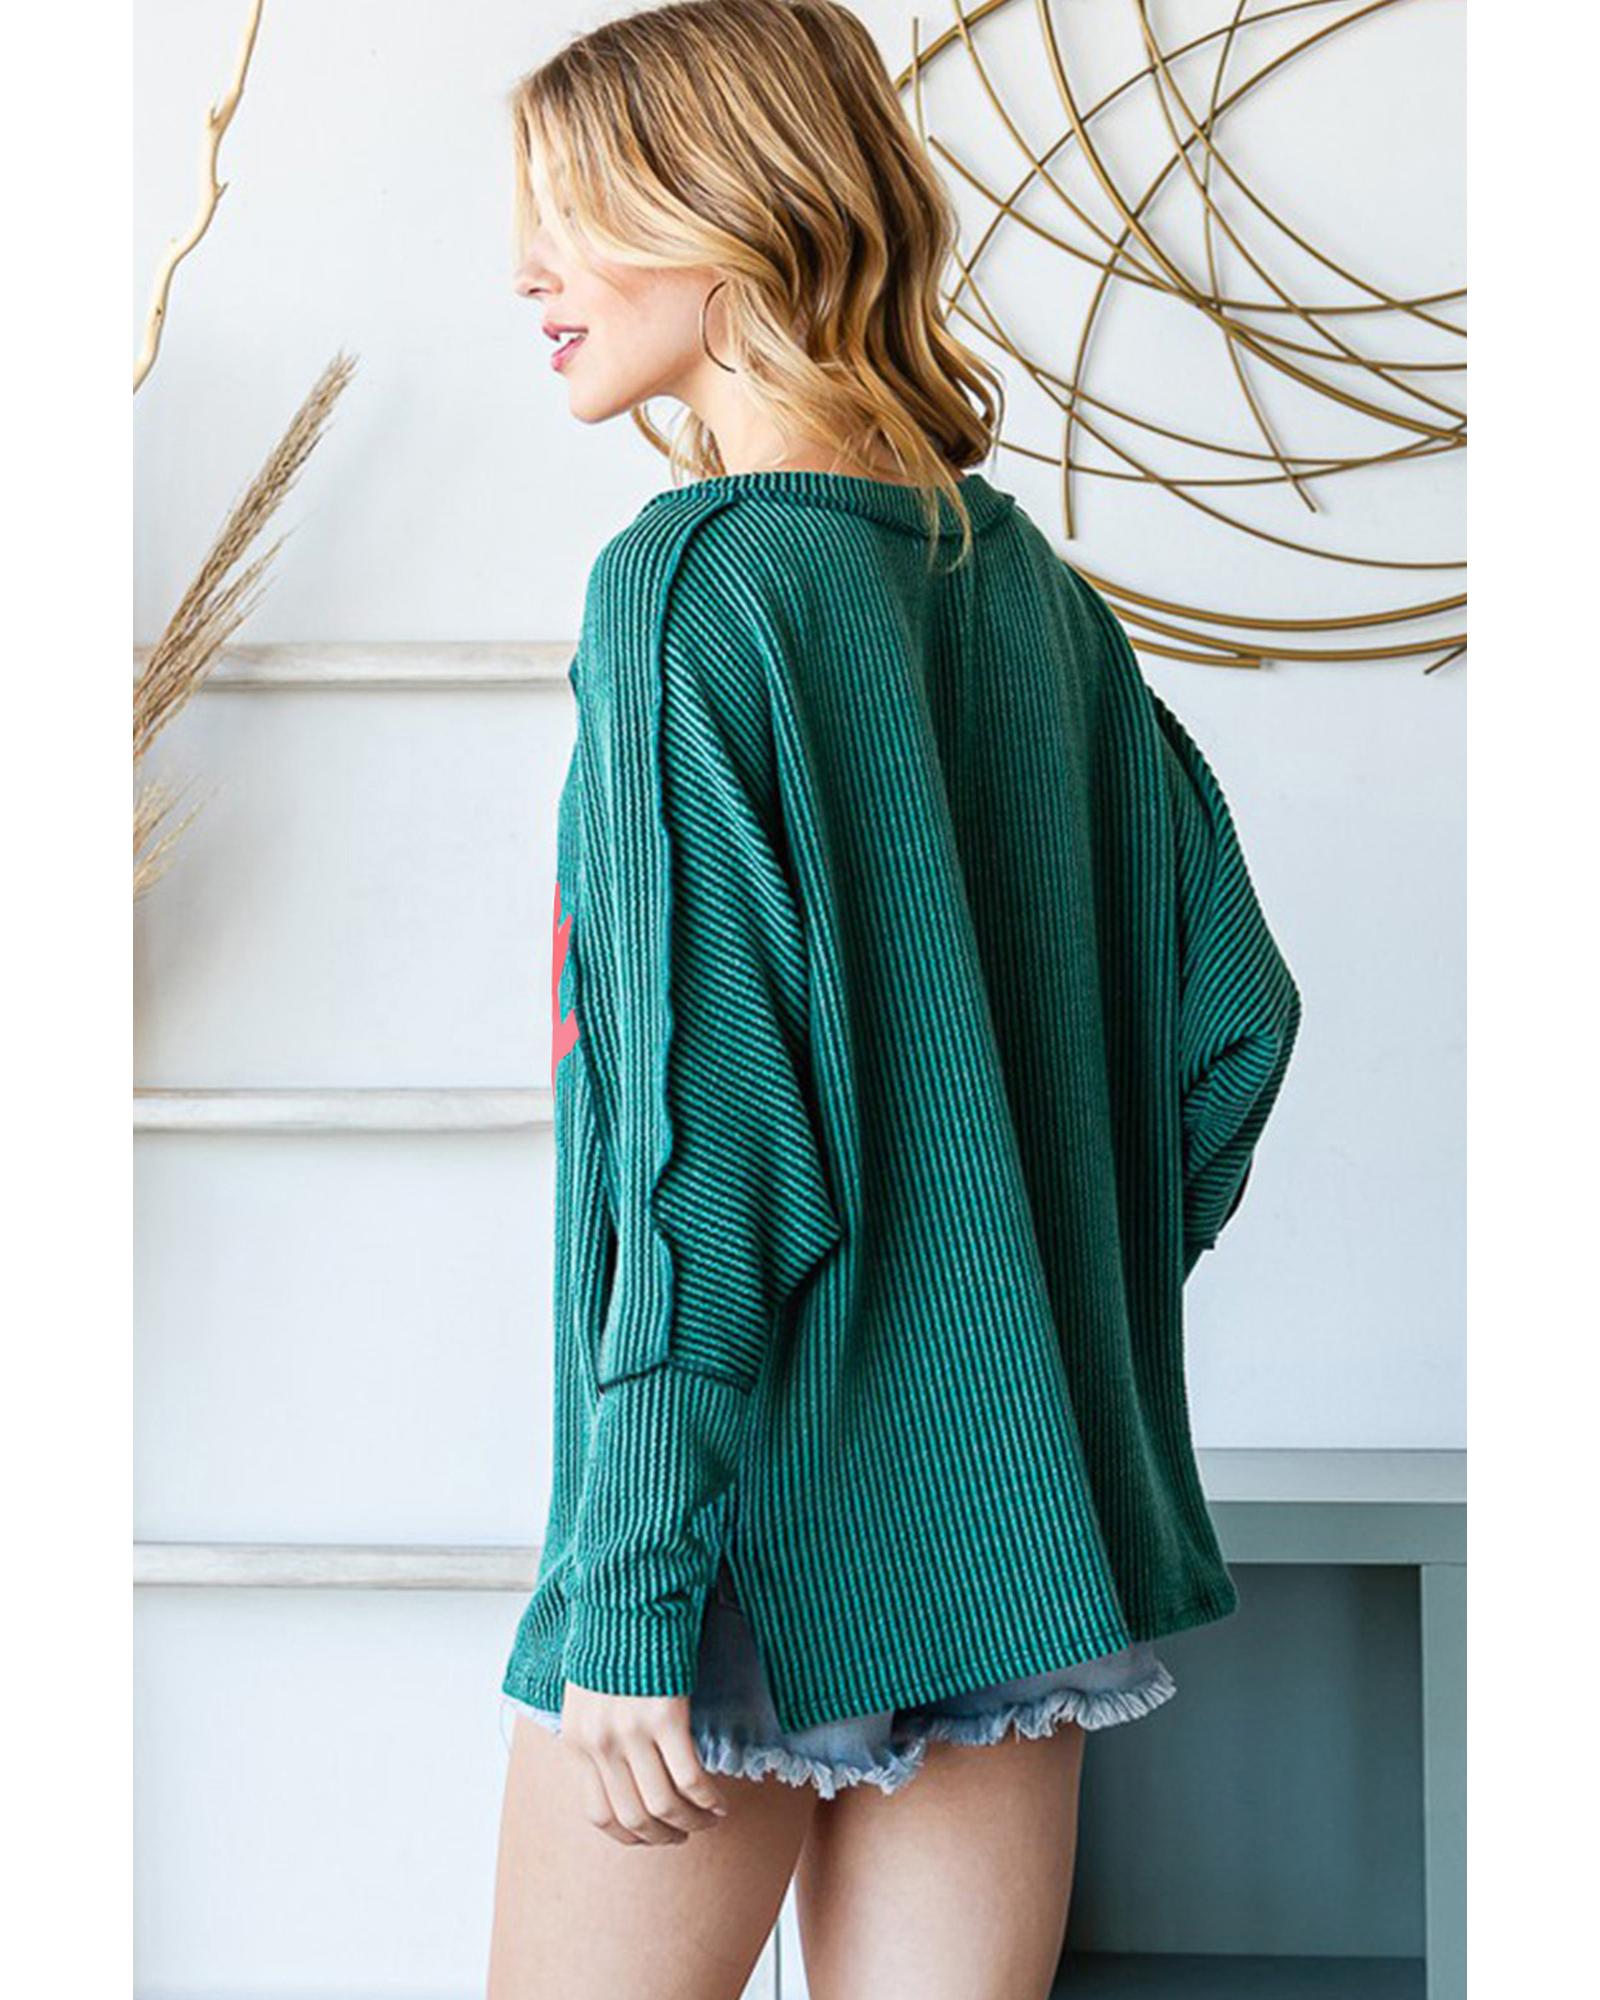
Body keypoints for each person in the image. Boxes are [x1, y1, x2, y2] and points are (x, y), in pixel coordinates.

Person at [487, 5, 1301, 1996]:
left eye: (573, 214)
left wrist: (632, 1588)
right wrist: (1008, 1321)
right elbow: (1229, 1028)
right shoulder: (1032, 594)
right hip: (1015, 1534)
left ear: (730, 214)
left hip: (744, 1531)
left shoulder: (696, 589)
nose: (525, 271)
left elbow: (704, 1142)